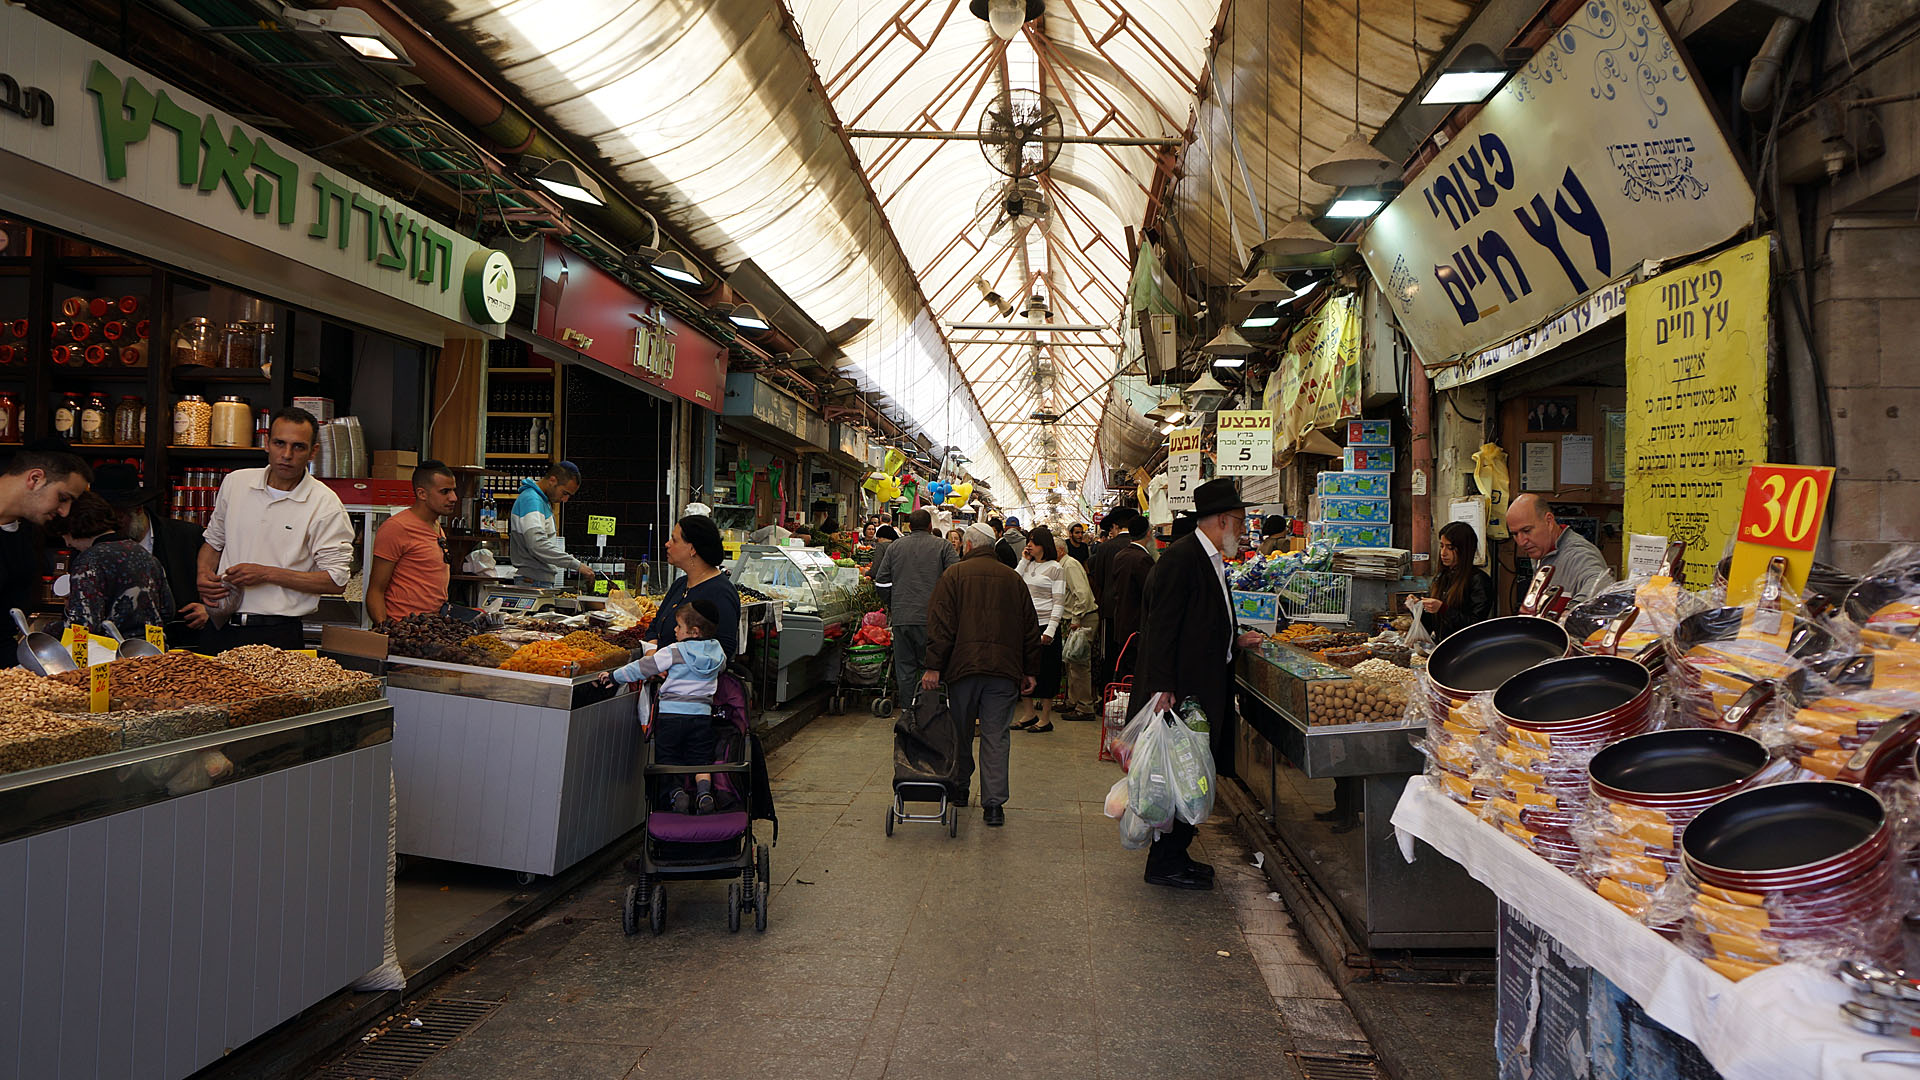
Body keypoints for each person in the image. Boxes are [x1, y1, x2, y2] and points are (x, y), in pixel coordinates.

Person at [1135, 478, 1267, 891]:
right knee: (1179, 775)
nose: (1244, 530)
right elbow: (1162, 629)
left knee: (1192, 774)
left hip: (1201, 687)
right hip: (1181, 693)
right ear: (1224, 520)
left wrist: (1235, 638)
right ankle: (1164, 862)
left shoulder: (1209, 558)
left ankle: (1178, 853)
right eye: (1241, 522)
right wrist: (1163, 688)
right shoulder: (1181, 559)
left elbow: (1203, 620)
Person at [196, 408, 353, 650]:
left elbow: (335, 581)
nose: (287, 455)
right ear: (267, 443)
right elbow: (214, 543)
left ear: (313, 452)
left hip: (279, 634)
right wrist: (203, 574)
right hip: (220, 625)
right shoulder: (236, 483)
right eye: (280, 443)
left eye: (298, 447)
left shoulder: (325, 504)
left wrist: (267, 574)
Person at [922, 522, 1040, 827]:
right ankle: (994, 806)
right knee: (996, 736)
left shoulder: (953, 576)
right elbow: (1029, 629)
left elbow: (939, 625)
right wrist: (1030, 670)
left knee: (960, 731)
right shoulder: (1013, 580)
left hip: (963, 670)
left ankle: (960, 788)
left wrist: (934, 666)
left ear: (970, 545)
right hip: (1003, 671)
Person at [601, 598, 731, 813]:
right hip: (702, 716)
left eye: (679, 626)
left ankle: (676, 793)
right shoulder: (718, 652)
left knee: (668, 757)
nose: (675, 629)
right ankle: (704, 793)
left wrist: (615, 676)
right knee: (700, 757)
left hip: (671, 716)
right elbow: (721, 668)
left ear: (694, 631)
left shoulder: (674, 651)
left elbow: (643, 667)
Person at [90, 462, 206, 637]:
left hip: (182, 643)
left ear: (138, 509)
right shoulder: (94, 545)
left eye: (118, 518)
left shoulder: (187, 536)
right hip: (116, 646)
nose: (111, 527)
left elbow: (221, 583)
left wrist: (209, 610)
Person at [872, 508, 957, 710]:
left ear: (909, 526)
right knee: (934, 666)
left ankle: (908, 711)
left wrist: (893, 602)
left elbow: (881, 581)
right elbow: (956, 577)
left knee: (905, 668)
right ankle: (931, 710)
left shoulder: (895, 547)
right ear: (930, 526)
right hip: (934, 620)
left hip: (902, 617)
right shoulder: (943, 546)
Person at [57, 491, 174, 636]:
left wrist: (50, 629)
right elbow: (168, 611)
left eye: (65, 535)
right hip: (152, 649)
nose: (67, 543)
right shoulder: (143, 553)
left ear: (73, 527)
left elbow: (84, 625)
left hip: (112, 652)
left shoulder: (89, 560)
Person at [366, 460, 459, 624]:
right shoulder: (397, 527)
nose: (453, 498)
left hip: (432, 628)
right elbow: (375, 591)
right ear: (422, 494)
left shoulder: (436, 525)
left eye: (453, 490)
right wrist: (386, 632)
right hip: (404, 628)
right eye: (445, 492)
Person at [641, 514, 741, 658]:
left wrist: (673, 664)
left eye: (674, 540)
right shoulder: (680, 584)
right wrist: (652, 656)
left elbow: (723, 649)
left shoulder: (721, 593)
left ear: (692, 549)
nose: (667, 544)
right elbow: (655, 626)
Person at [1505, 493, 1615, 603]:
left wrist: (1572, 609)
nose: (1521, 542)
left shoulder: (1578, 553)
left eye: (1527, 530)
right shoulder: (1542, 550)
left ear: (1549, 521)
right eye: (1515, 534)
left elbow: (1602, 583)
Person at [1012, 525, 1066, 733]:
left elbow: (1058, 601)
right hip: (1025, 625)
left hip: (1045, 627)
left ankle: (1045, 717)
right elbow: (1014, 582)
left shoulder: (1055, 568)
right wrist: (1024, 560)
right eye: (1029, 541)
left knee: (1046, 671)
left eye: (1033, 542)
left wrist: (1051, 630)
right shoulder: (1027, 565)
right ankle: (1028, 713)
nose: (1029, 545)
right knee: (1024, 668)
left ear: (1044, 545)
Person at [511, 460, 595, 588]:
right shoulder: (532, 500)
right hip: (533, 582)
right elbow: (537, 544)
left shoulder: (541, 501)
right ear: (552, 480)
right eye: (565, 493)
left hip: (536, 580)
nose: (565, 500)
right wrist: (577, 565)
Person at [1089, 507, 1139, 691]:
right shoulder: (1139, 545)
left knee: (1108, 652)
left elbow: (1099, 579)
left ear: (1116, 526)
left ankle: (1108, 694)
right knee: (1130, 651)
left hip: (1110, 609)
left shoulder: (1105, 548)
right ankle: (1127, 692)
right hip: (1134, 611)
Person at [1419, 521, 1495, 641]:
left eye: (1450, 548)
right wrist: (1417, 608)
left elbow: (1476, 624)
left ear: (1465, 550)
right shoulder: (1442, 576)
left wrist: (1443, 609)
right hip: (1441, 645)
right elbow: (1431, 625)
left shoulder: (1478, 580)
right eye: (1442, 546)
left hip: (1464, 649)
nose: (1443, 553)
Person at [1103, 514, 1154, 680]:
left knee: (1125, 669)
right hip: (1137, 626)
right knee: (1134, 673)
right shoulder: (1142, 559)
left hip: (1122, 623)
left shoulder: (1121, 555)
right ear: (1148, 533)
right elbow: (1150, 593)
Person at [1058, 538, 1100, 722]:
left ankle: (1085, 706)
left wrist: (1076, 618)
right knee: (1071, 662)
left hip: (1083, 618)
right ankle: (1073, 700)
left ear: (1058, 550)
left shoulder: (1069, 566)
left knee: (1080, 663)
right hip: (1074, 618)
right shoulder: (1065, 564)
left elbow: (1081, 593)